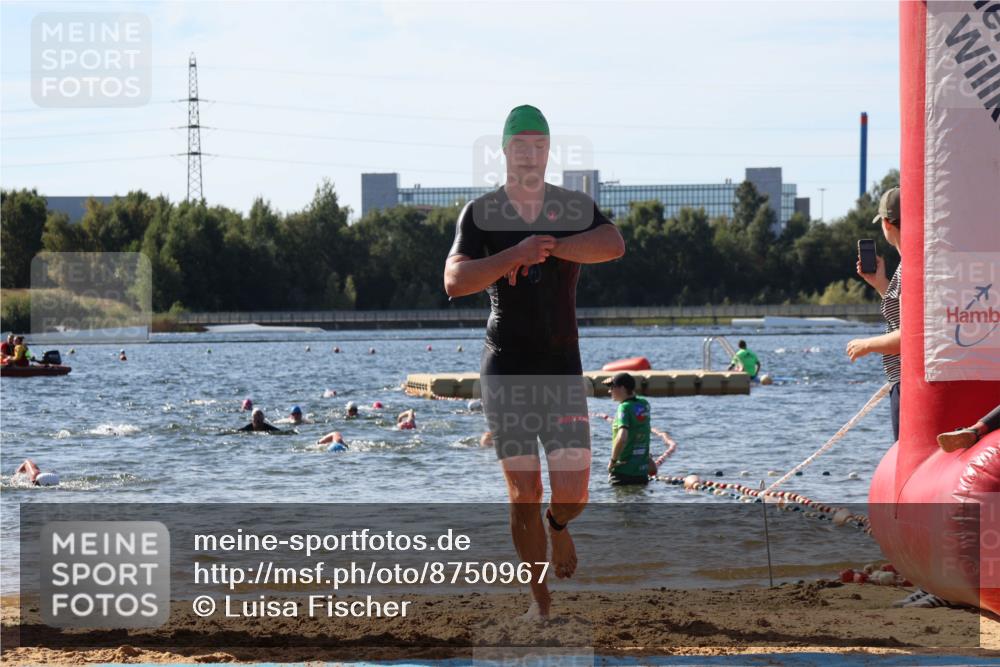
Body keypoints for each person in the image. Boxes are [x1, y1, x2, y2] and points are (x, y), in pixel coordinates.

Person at [443, 104, 625, 618]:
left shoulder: (572, 206)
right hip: (506, 369)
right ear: (504, 152)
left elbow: (613, 244)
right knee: (523, 490)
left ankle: (559, 525)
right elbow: (454, 282)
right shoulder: (480, 214)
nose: (530, 154)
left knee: (575, 494)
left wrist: (550, 246)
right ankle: (539, 602)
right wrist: (515, 254)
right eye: (520, 145)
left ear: (549, 152)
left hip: (562, 368)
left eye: (539, 145)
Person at [847, 187, 903, 440]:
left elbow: (911, 337)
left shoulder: (913, 267)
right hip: (906, 383)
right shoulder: (911, 264)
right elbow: (905, 318)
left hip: (909, 384)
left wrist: (866, 345)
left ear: (887, 223)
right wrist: (881, 284)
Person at [603, 373, 657, 486]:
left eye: (612, 387)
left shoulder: (623, 407)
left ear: (622, 388)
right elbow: (641, 432)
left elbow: (622, 437)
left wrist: (612, 462)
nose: (609, 391)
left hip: (622, 472)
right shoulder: (644, 404)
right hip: (641, 472)